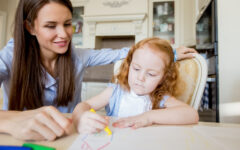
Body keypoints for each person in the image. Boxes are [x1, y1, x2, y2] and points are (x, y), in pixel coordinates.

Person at [0, 0, 196, 141]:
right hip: (19, 140)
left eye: (68, 24)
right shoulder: (10, 55)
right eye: (51, 26)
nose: (64, 34)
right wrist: (11, 121)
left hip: (71, 137)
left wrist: (170, 52)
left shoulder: (79, 56)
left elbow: (129, 53)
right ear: (29, 27)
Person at [73, 37, 199, 134]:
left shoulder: (159, 96)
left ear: (163, 78)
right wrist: (81, 117)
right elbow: (84, 105)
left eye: (151, 74)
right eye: (136, 69)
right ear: (129, 66)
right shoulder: (115, 92)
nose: (140, 78)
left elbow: (192, 114)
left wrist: (149, 117)